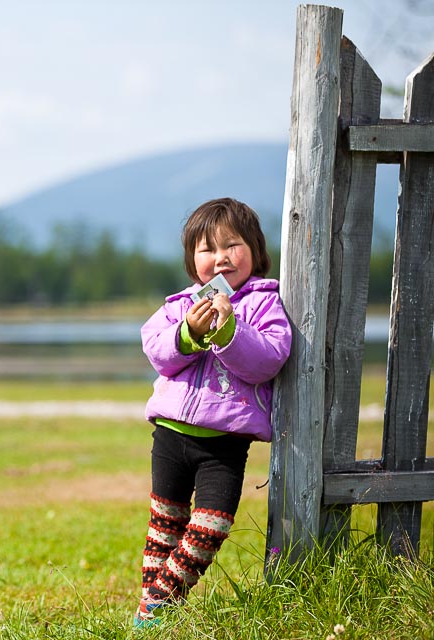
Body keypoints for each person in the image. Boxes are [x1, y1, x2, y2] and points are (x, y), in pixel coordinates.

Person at [133, 197, 292, 628]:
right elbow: (157, 350)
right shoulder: (181, 304)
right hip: (170, 433)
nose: (220, 257)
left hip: (225, 441)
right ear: (192, 261)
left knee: (212, 525)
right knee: (165, 522)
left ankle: (160, 599)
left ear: (256, 252)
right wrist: (188, 332)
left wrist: (228, 330)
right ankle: (154, 616)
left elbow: (267, 361)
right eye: (206, 249)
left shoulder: (264, 303)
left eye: (231, 245)